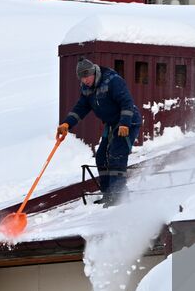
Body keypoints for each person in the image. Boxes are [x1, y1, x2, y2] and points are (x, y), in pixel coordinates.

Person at [57, 58, 142, 205]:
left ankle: (118, 196)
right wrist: (67, 123)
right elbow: (81, 107)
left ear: (94, 72)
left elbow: (126, 102)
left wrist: (124, 123)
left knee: (116, 156)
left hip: (128, 122)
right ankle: (108, 194)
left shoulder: (112, 81)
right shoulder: (86, 88)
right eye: (81, 78)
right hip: (112, 124)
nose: (84, 81)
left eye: (86, 77)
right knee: (101, 157)